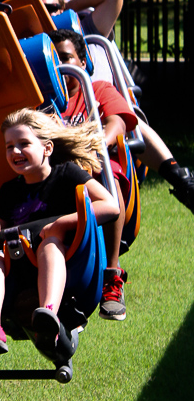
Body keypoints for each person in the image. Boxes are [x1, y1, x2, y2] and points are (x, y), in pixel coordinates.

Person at [0, 108, 120, 355]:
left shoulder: (67, 174)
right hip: (20, 266)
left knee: (49, 244)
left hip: (69, 263)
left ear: (47, 148)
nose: (15, 151)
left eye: (24, 143)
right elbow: (4, 224)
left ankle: (48, 312)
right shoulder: (9, 189)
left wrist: (62, 223)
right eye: (9, 146)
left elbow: (110, 206)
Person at [41, 0, 194, 215]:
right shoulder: (33, 45)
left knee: (124, 127)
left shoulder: (83, 27)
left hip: (100, 110)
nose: (46, 13)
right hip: (62, 120)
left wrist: (65, 10)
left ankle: (180, 179)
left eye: (50, 7)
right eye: (40, 9)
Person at [49, 28, 137, 321]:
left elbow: (117, 123)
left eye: (66, 58)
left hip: (96, 166)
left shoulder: (97, 89)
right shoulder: (45, 100)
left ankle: (112, 276)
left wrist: (95, 143)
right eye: (54, 60)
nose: (61, 67)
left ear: (83, 62)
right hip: (58, 174)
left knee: (104, 181)